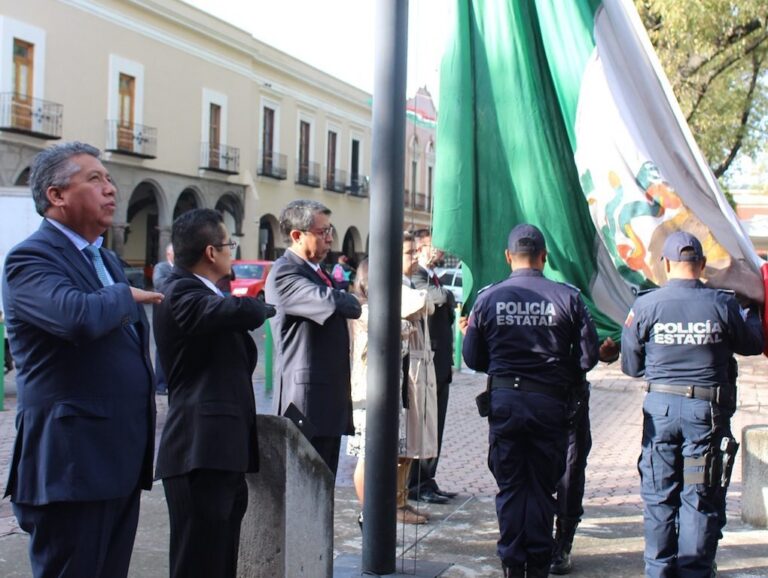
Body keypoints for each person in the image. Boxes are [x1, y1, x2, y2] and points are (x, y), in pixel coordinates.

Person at [1, 141, 164, 578]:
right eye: (95, 179)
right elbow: (76, 317)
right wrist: (123, 293)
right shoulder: (30, 259)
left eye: (110, 179)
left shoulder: (105, 258)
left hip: (117, 463)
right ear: (56, 195)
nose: (111, 189)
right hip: (71, 467)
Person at [621, 231, 763, 578]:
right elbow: (753, 344)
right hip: (705, 416)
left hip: (661, 414)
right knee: (698, 497)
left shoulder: (645, 305)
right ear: (701, 265)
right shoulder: (723, 303)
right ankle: (695, 571)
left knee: (659, 496)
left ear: (666, 264)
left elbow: (631, 366)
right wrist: (755, 306)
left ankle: (658, 571)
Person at [462, 224, 599, 578]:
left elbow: (473, 358)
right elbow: (588, 359)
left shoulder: (488, 298)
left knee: (511, 488)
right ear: (544, 257)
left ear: (508, 257)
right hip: (548, 406)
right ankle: (538, 564)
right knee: (541, 489)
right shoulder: (568, 297)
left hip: (506, 404)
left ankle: (512, 564)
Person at [153, 208, 274, 578]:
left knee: (220, 562)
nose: (232, 253)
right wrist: (263, 306)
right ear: (210, 252)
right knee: (198, 564)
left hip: (221, 453)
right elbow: (230, 311)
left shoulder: (205, 292)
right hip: (198, 452)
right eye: (229, 245)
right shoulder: (180, 291)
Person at [265, 199, 362, 476]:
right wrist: (349, 298)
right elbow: (336, 303)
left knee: (324, 485)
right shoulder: (285, 271)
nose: (330, 238)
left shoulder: (315, 272)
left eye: (330, 231)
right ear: (297, 235)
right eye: (323, 232)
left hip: (326, 400)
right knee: (304, 488)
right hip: (305, 402)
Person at [347, 258, 430, 526]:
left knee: (385, 453)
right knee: (367, 455)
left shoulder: (378, 307)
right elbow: (402, 326)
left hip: (389, 391)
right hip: (368, 393)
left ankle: (382, 510)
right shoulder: (364, 309)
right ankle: (367, 512)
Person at [551, 334, 619, 575]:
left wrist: (607, 349)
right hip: (532, 395)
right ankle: (539, 540)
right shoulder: (570, 298)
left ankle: (561, 542)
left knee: (569, 473)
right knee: (538, 472)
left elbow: (596, 352)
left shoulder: (575, 299)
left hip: (567, 397)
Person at [408, 229, 458, 505]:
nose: (439, 250)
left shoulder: (432, 276)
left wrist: (446, 295)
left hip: (440, 361)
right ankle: (417, 482)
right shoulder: (417, 275)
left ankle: (429, 478)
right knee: (425, 423)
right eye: (432, 246)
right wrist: (447, 294)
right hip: (427, 360)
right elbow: (437, 298)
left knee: (436, 424)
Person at [399, 232, 440, 522]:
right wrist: (427, 297)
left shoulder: (408, 282)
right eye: (408, 253)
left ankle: (401, 497)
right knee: (401, 443)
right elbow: (423, 303)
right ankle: (392, 503)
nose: (414, 258)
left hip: (418, 364)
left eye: (415, 252)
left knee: (411, 443)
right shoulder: (390, 282)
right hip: (403, 370)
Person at [152, 242, 174, 394]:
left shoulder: (181, 269)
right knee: (162, 346)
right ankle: (160, 385)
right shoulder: (162, 267)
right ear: (168, 254)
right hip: (162, 309)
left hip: (176, 311)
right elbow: (159, 284)